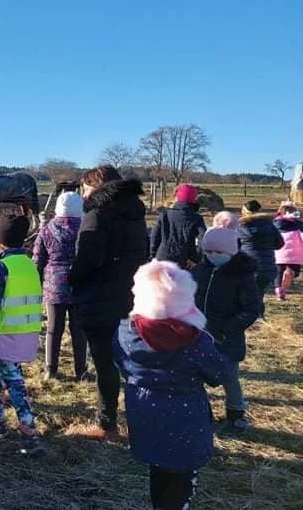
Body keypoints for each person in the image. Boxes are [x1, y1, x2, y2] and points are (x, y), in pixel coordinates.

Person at [115, 261, 230, 510]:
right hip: (185, 421)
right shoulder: (194, 341)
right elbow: (219, 374)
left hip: (144, 414)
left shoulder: (125, 332)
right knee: (181, 484)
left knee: (158, 471)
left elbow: (120, 364)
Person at [68, 165, 149, 440]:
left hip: (99, 296)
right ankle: (143, 418)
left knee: (104, 363)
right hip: (132, 295)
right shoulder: (136, 215)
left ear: (97, 187)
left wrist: (72, 277)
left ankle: (107, 422)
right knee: (131, 359)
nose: (83, 194)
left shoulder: (97, 216)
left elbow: (88, 259)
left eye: (85, 188)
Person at [0, 215, 46, 455]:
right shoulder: (29, 264)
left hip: (5, 334)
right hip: (26, 333)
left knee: (15, 384)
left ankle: (29, 433)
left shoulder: (1, 267)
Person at [191, 227, 260, 437]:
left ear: (231, 252)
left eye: (218, 252)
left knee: (229, 378)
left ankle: (236, 416)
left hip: (227, 338)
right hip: (199, 336)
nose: (213, 256)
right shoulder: (200, 271)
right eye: (209, 252)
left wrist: (227, 329)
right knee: (195, 376)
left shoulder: (243, 276)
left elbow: (251, 310)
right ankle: (202, 413)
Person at [32, 191, 87, 381]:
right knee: (79, 330)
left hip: (54, 285)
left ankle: (50, 368)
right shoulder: (86, 229)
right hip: (80, 284)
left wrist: (38, 283)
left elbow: (38, 259)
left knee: (53, 329)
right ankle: (81, 370)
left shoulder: (47, 229)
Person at [236, 201, 284, 314]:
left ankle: (252, 317)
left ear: (245, 212)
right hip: (268, 268)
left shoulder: (241, 227)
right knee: (259, 292)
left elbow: (234, 247)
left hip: (248, 266)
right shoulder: (269, 225)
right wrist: (266, 246)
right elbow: (280, 244)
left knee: (246, 294)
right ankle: (259, 316)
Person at [150, 183, 206, 268]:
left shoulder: (165, 214)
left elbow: (155, 236)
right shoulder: (196, 218)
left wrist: (152, 255)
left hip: (162, 256)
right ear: (194, 199)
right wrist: (196, 258)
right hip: (184, 259)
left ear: (177, 197)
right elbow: (203, 239)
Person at [274, 201, 303, 301]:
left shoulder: (275, 224)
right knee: (295, 271)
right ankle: (291, 272)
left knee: (278, 272)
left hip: (279, 253)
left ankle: (279, 290)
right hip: (296, 253)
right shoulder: (299, 224)